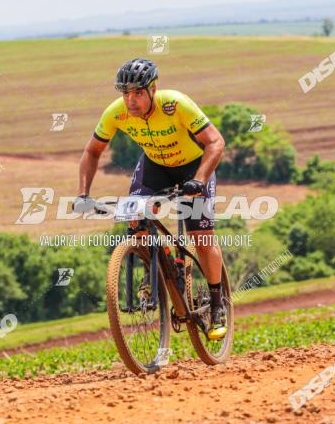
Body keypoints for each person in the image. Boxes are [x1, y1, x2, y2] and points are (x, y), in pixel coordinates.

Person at [74, 58, 227, 340]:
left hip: (193, 166)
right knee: (137, 220)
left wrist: (200, 180)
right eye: (125, 94)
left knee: (201, 237)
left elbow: (216, 142)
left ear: (153, 89)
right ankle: (153, 267)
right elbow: (92, 152)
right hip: (155, 167)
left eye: (138, 93)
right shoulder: (116, 113)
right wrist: (83, 194)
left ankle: (218, 303)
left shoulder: (175, 104)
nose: (131, 101)